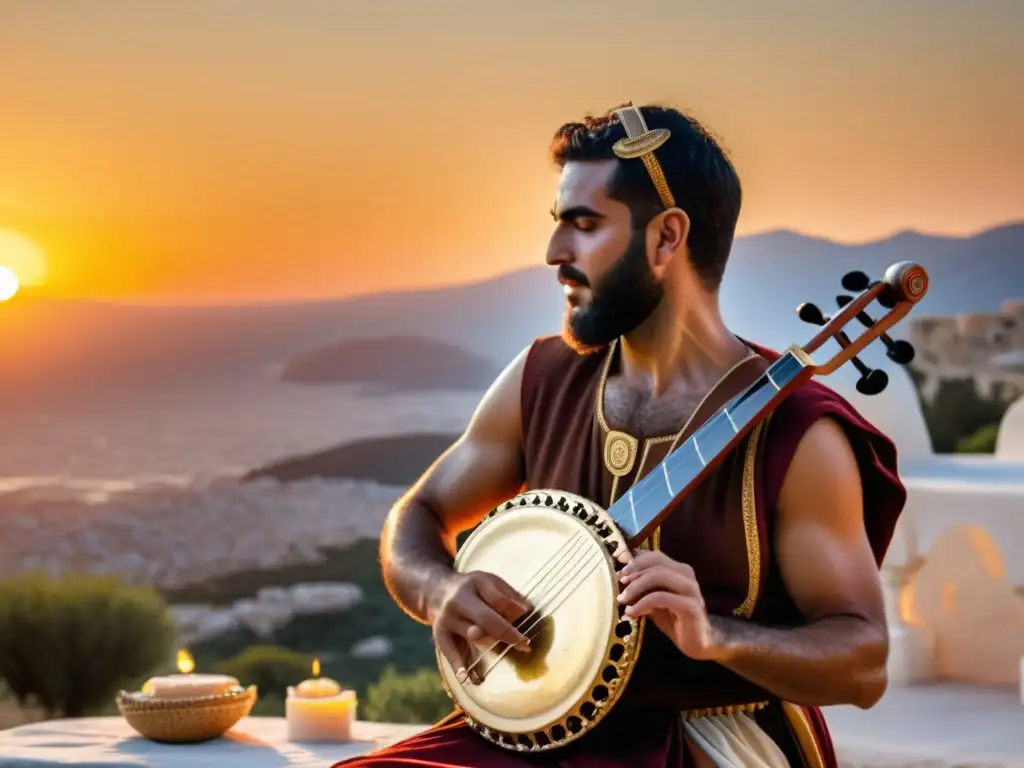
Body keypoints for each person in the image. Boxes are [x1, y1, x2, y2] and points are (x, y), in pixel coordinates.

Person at [333, 102, 906, 768]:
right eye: (558, 225)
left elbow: (863, 664)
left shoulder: (799, 434)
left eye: (583, 225)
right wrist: (439, 590)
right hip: (532, 733)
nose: (554, 253)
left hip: (702, 745)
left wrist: (715, 636)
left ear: (666, 238)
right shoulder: (541, 378)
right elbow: (419, 516)